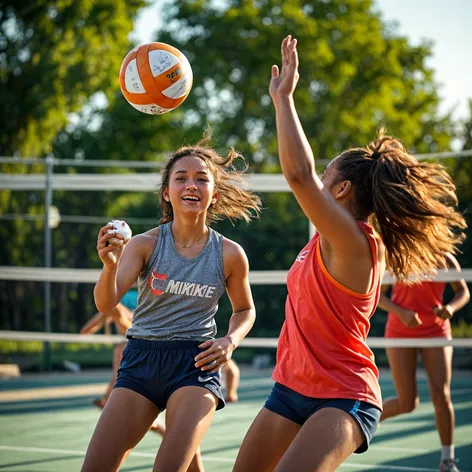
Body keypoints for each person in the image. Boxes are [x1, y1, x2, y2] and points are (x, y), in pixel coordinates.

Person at [233, 35, 467, 472]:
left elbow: (298, 175)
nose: (319, 180)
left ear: (341, 190)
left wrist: (284, 101)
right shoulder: (323, 241)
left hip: (343, 395)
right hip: (289, 388)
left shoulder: (356, 242)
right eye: (321, 173)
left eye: (327, 176)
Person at [81, 133, 261, 472]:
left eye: (201, 179)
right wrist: (109, 266)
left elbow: (245, 309)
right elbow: (107, 304)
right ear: (167, 192)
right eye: (181, 178)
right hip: (141, 359)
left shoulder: (230, 254)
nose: (191, 185)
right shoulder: (144, 245)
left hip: (196, 363)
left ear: (214, 193)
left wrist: (229, 341)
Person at [80, 302, 204, 472]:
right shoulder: (124, 334)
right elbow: (98, 316)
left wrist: (107, 398)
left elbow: (103, 311)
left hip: (160, 365)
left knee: (180, 432)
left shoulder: (124, 318)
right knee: (177, 434)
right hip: (143, 370)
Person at [379, 254, 470, 472]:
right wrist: (401, 312)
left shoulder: (445, 259)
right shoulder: (397, 257)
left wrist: (451, 308)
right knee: (407, 403)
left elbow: (463, 291)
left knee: (442, 395)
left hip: (436, 331)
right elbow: (378, 296)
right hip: (400, 331)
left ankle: (447, 460)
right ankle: (369, 418)